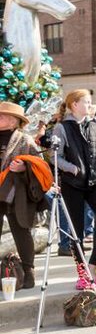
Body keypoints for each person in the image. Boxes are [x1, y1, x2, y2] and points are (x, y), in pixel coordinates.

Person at [52, 89, 96, 276]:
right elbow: (55, 155)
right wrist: (71, 168)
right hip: (72, 185)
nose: (90, 105)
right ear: (74, 105)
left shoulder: (95, 125)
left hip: (95, 182)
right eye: (86, 102)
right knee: (76, 231)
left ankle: (94, 263)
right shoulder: (62, 127)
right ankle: (82, 271)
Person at [0, 102, 48, 289]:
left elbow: (40, 166)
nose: (0, 118)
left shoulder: (24, 140)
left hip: (17, 193)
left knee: (21, 231)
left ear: (14, 121)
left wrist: (24, 167)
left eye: (3, 115)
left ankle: (28, 273)